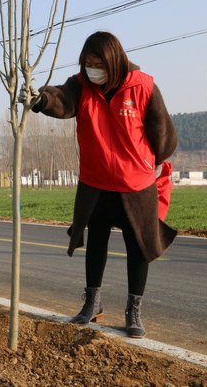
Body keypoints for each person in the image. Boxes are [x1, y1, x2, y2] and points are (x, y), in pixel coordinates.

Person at [31, 31, 178, 338]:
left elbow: (162, 134)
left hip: (135, 184)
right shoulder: (80, 86)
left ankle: (133, 309)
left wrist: (148, 162)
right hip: (95, 182)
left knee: (138, 247)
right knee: (96, 242)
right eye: (87, 63)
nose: (91, 69)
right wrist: (41, 99)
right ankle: (92, 303)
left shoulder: (143, 87)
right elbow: (61, 100)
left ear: (114, 61)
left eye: (97, 63)